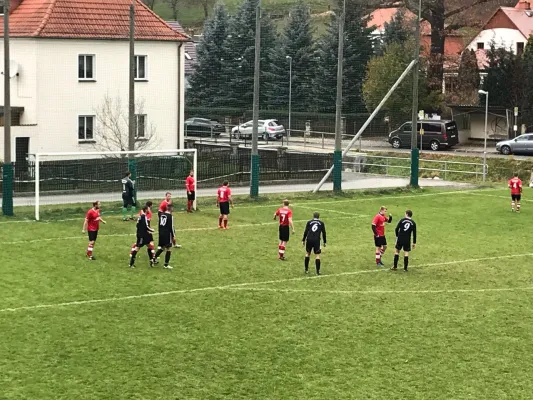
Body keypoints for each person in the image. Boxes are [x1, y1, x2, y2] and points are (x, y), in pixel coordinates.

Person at [129, 204, 156, 268]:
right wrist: (151, 230)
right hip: (142, 236)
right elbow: (146, 226)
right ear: (146, 210)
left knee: (149, 246)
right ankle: (131, 263)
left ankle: (151, 261)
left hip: (143, 235)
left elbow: (137, 225)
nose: (149, 210)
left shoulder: (141, 216)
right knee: (137, 248)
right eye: (148, 209)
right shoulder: (144, 216)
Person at [154, 204, 175, 270]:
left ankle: (153, 258)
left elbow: (159, 225)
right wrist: (173, 236)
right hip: (167, 234)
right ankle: (166, 265)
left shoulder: (161, 215)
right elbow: (171, 227)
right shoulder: (170, 216)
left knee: (162, 247)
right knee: (169, 248)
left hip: (161, 233)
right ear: (170, 208)